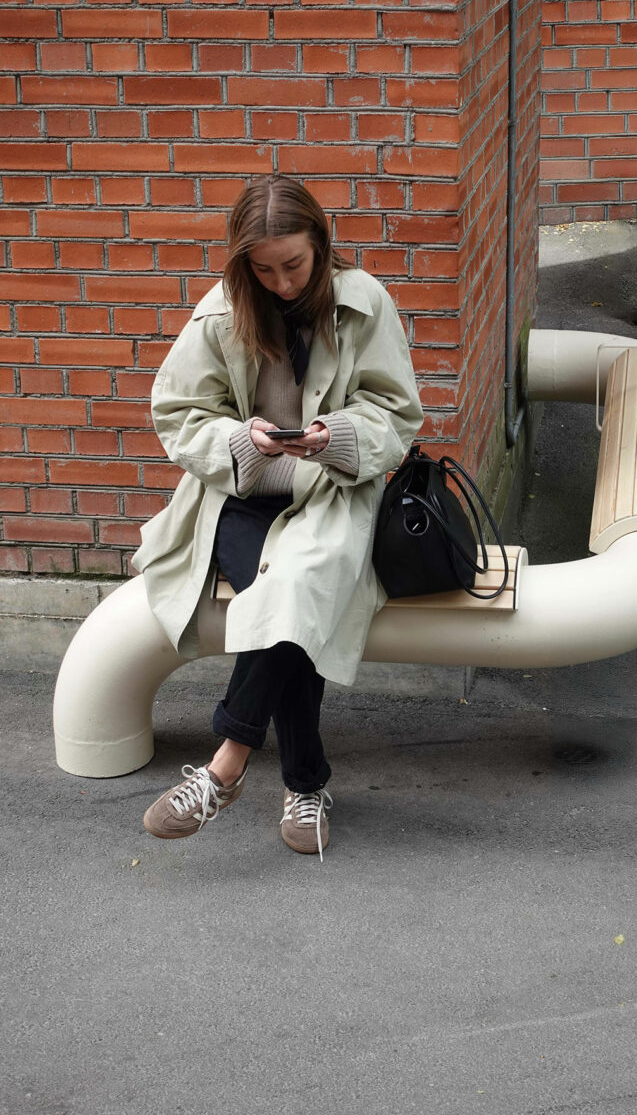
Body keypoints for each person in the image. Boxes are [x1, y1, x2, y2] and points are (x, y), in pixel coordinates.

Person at [131, 175, 423, 858]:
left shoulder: (365, 303)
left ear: (320, 243)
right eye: (263, 270)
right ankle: (305, 785)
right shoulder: (221, 312)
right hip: (241, 494)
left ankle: (225, 765)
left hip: (333, 491)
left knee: (294, 588)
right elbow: (177, 412)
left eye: (293, 264)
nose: (283, 283)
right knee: (287, 600)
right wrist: (242, 441)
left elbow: (398, 413)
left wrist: (335, 435)